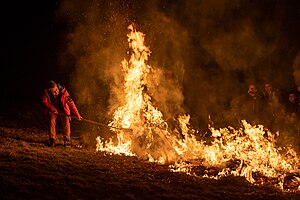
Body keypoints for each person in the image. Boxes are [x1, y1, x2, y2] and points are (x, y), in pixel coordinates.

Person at [42, 80, 83, 147]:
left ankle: (66, 140)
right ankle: (52, 140)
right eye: (53, 92)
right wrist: (52, 109)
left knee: (66, 121)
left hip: (63, 109)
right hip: (53, 109)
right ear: (49, 90)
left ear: (57, 87)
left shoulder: (64, 92)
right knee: (51, 121)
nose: (55, 93)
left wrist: (77, 115)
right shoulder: (46, 92)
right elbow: (44, 101)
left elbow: (71, 104)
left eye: (56, 91)